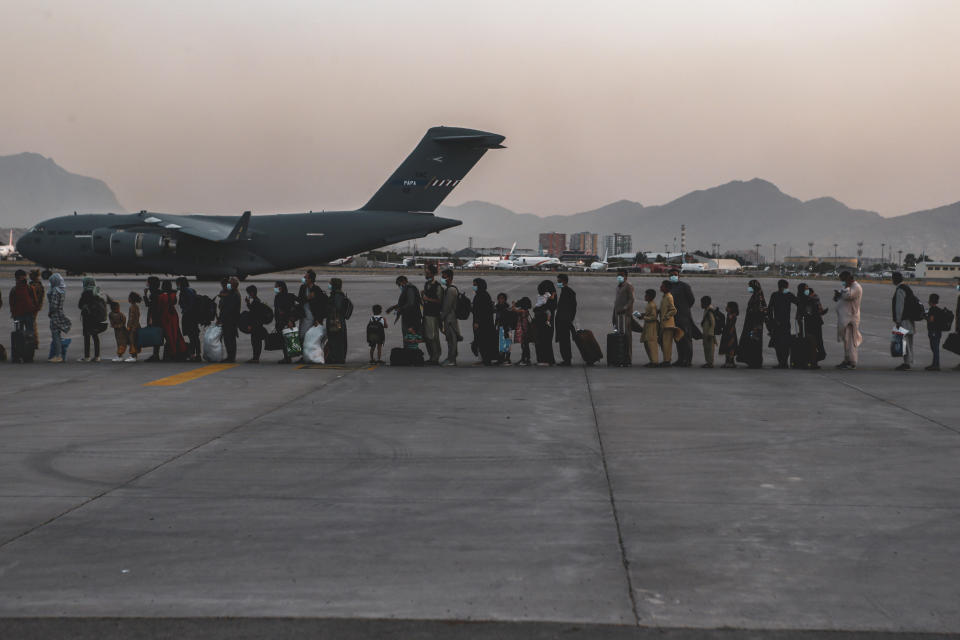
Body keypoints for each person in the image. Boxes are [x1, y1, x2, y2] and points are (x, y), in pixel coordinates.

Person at [834, 271, 863, 370]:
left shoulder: (856, 287)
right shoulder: (847, 287)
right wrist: (837, 295)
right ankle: (847, 360)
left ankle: (852, 362)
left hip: (852, 317)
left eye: (843, 280)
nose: (843, 282)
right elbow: (842, 296)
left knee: (851, 340)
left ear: (848, 279)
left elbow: (849, 295)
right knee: (846, 340)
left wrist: (845, 288)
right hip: (846, 317)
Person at [9, 269, 39, 362]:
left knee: (18, 336)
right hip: (29, 314)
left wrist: (13, 314)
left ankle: (17, 356)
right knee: (30, 335)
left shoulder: (14, 289)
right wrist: (34, 311)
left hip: (19, 315)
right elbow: (35, 301)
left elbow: (12, 303)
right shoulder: (30, 288)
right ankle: (29, 356)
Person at [667, 268, 695, 366]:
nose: (673, 276)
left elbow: (691, 300)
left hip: (684, 316)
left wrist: (684, 309)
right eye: (671, 275)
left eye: (675, 274)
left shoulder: (684, 286)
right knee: (678, 338)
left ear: (679, 275)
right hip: (674, 317)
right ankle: (680, 359)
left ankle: (688, 360)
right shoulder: (669, 287)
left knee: (686, 338)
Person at [796, 282, 827, 368]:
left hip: (816, 323)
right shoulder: (801, 299)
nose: (807, 290)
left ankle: (812, 360)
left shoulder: (814, 297)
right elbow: (799, 313)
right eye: (805, 288)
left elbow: (819, 309)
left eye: (807, 288)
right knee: (810, 344)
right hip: (807, 324)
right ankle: (811, 362)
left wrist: (821, 311)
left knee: (819, 345)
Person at [737, 279, 767, 369]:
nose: (749, 288)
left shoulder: (759, 297)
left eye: (750, 286)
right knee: (752, 341)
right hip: (752, 324)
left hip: (755, 325)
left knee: (754, 341)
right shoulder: (756, 295)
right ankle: (752, 360)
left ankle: (755, 361)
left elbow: (762, 310)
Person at [78, 276, 108, 362]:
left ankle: (87, 356)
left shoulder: (86, 293)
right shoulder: (97, 292)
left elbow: (80, 305)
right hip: (96, 318)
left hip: (87, 318)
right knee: (95, 336)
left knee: (87, 337)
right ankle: (97, 356)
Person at [768, 279, 797, 369]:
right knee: (785, 344)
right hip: (785, 323)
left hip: (777, 323)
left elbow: (770, 309)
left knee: (778, 344)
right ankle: (783, 362)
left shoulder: (774, 295)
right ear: (785, 286)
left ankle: (781, 362)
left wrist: (771, 320)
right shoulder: (789, 295)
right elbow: (798, 302)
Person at [891, 272, 916, 371]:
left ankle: (907, 363)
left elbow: (899, 306)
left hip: (904, 320)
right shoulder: (907, 288)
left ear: (895, 279)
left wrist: (898, 320)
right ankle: (909, 361)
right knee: (909, 341)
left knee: (904, 341)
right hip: (909, 319)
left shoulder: (900, 289)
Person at [273, 281, 301, 364]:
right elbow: (300, 302)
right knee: (288, 339)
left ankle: (287, 358)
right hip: (288, 321)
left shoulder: (279, 297)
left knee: (284, 340)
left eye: (276, 286)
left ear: (280, 287)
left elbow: (281, 311)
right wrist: (293, 318)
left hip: (284, 321)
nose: (275, 288)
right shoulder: (290, 296)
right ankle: (288, 357)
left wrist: (289, 320)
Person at [158, 280, 187, 361]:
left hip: (166, 316)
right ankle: (179, 351)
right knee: (176, 334)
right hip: (173, 315)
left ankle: (172, 352)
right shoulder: (173, 294)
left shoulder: (162, 296)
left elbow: (160, 307)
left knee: (169, 335)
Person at [471, 278, 498, 365]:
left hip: (482, 323)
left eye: (475, 285)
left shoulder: (481, 295)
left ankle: (486, 359)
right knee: (484, 341)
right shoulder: (484, 294)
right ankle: (485, 358)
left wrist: (477, 322)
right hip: (486, 322)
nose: (474, 287)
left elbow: (480, 311)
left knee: (483, 341)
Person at [421, 264, 443, 365]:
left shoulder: (437, 286)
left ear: (432, 273)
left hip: (433, 314)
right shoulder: (427, 285)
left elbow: (439, 301)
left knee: (432, 336)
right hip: (426, 313)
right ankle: (431, 356)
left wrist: (427, 299)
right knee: (427, 336)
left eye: (428, 272)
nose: (426, 273)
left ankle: (435, 357)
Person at [46, 273, 71, 363]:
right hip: (59, 313)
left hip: (55, 315)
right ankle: (60, 354)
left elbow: (53, 305)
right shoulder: (61, 289)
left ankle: (58, 355)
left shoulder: (55, 290)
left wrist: (50, 312)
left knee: (55, 335)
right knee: (57, 334)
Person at [297, 270, 327, 343]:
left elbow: (321, 306)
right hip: (304, 317)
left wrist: (319, 319)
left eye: (306, 277)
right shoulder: (302, 288)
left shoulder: (317, 290)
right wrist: (307, 298)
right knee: (302, 336)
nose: (304, 278)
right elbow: (299, 300)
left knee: (311, 338)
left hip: (313, 318)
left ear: (310, 279)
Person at [554, 273, 577, 366]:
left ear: (564, 281)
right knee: (563, 340)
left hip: (564, 321)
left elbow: (573, 307)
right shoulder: (564, 291)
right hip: (562, 320)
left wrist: (569, 319)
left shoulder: (568, 292)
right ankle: (566, 359)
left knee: (564, 341)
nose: (557, 283)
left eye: (559, 281)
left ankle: (567, 359)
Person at [325, 278, 349, 364]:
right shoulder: (337, 294)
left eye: (330, 283)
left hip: (336, 321)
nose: (329, 285)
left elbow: (337, 307)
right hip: (337, 320)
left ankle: (337, 358)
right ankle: (336, 357)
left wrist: (329, 306)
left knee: (336, 339)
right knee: (336, 339)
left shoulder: (337, 295)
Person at [177, 277, 201, 362]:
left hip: (189, 316)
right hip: (193, 316)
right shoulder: (191, 290)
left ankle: (193, 355)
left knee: (192, 336)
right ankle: (197, 354)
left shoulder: (184, 291)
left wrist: (186, 311)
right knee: (195, 336)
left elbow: (186, 304)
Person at [439, 269, 460, 366]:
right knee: (450, 339)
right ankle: (450, 358)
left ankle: (452, 359)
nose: (442, 279)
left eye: (444, 277)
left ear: (450, 278)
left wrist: (441, 317)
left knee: (452, 340)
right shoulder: (448, 289)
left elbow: (447, 307)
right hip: (450, 318)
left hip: (450, 319)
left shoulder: (451, 290)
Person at [245, 285, 271, 363]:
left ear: (252, 293)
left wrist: (251, 325)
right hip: (258, 325)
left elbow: (254, 315)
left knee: (256, 342)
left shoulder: (256, 302)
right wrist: (248, 303)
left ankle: (256, 358)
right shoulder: (256, 301)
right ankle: (255, 357)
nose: (248, 294)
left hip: (256, 326)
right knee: (256, 342)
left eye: (249, 293)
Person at [218, 277, 242, 363]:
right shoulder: (231, 293)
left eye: (230, 284)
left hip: (230, 320)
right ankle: (230, 356)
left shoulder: (234, 294)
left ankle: (231, 357)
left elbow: (228, 308)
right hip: (228, 319)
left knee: (230, 338)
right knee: (228, 339)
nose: (228, 285)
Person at [612, 269, 635, 358]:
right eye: (618, 275)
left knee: (626, 336)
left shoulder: (628, 286)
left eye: (621, 275)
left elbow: (632, 299)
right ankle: (620, 356)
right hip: (618, 315)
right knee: (619, 336)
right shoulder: (618, 286)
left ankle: (627, 357)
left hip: (625, 315)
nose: (619, 277)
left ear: (626, 276)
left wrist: (625, 308)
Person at [533, 280, 556, 366]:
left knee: (542, 340)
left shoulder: (542, 296)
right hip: (547, 322)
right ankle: (547, 359)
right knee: (546, 341)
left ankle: (543, 359)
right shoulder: (549, 296)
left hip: (542, 322)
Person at [658, 280, 677, 367]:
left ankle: (667, 360)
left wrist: (666, 316)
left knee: (666, 343)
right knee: (662, 341)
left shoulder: (669, 297)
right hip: (664, 324)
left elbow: (673, 310)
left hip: (668, 324)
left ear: (667, 288)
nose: (661, 287)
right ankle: (666, 359)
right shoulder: (664, 297)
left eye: (662, 286)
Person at [143, 276, 162, 362]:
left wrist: (145, 295)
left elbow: (150, 305)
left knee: (155, 335)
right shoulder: (158, 292)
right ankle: (156, 354)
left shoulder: (154, 294)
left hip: (155, 317)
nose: (146, 283)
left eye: (148, 282)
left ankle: (155, 355)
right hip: (158, 316)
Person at [640, 288, 659, 367]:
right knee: (647, 343)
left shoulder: (652, 305)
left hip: (651, 327)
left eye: (646, 295)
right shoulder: (649, 304)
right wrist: (643, 315)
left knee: (651, 343)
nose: (645, 296)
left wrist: (644, 318)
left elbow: (654, 317)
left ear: (650, 296)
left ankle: (654, 361)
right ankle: (652, 360)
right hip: (647, 326)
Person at [511, 297, 532, 366]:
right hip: (524, 328)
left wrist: (514, 304)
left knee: (524, 344)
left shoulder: (523, 311)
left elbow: (514, 310)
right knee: (524, 344)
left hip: (523, 328)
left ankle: (526, 359)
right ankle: (525, 358)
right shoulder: (525, 310)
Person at [926, 293, 943, 371]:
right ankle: (935, 364)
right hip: (938, 331)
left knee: (935, 348)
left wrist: (925, 317)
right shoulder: (939, 309)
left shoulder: (932, 310)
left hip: (933, 331)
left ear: (930, 301)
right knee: (935, 348)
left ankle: (936, 365)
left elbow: (931, 320)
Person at [494, 292, 513, 365]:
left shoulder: (507, 307)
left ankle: (507, 359)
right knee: (501, 344)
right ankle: (501, 359)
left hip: (507, 327)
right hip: (500, 327)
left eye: (502, 298)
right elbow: (497, 318)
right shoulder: (497, 307)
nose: (500, 300)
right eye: (499, 298)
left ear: (505, 299)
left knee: (507, 343)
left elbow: (509, 318)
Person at [720, 301, 739, 368]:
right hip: (728, 332)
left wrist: (730, 334)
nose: (726, 308)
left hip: (730, 333)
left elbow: (732, 325)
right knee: (727, 347)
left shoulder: (732, 315)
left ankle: (730, 362)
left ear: (731, 308)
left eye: (727, 306)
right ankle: (728, 362)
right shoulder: (729, 314)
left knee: (730, 347)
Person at [28, 269, 44, 348]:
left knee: (32, 324)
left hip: (33, 307)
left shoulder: (34, 285)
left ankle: (34, 342)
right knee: (33, 324)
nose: (29, 276)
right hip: (35, 306)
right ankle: (35, 341)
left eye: (31, 275)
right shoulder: (39, 284)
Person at [700, 295, 716, 368]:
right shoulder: (706, 309)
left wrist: (711, 333)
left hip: (709, 333)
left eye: (702, 303)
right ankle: (708, 362)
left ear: (705, 303)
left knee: (710, 348)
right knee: (706, 347)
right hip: (706, 332)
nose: (701, 305)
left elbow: (713, 323)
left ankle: (710, 362)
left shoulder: (709, 311)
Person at [126, 292, 142, 362]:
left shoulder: (132, 307)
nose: (128, 298)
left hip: (133, 327)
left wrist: (129, 326)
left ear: (131, 299)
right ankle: (134, 356)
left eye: (129, 297)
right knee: (135, 341)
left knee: (132, 341)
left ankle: (133, 356)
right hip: (137, 325)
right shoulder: (136, 306)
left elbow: (131, 318)